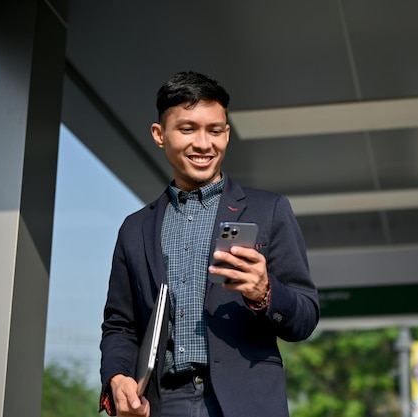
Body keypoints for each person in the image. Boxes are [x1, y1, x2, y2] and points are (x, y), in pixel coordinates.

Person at [98, 71, 320, 417]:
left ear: (227, 134)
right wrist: (117, 376)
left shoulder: (268, 210)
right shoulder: (134, 229)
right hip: (160, 404)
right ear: (159, 135)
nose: (204, 144)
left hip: (245, 403)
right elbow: (120, 324)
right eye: (187, 129)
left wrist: (265, 292)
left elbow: (305, 316)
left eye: (215, 130)